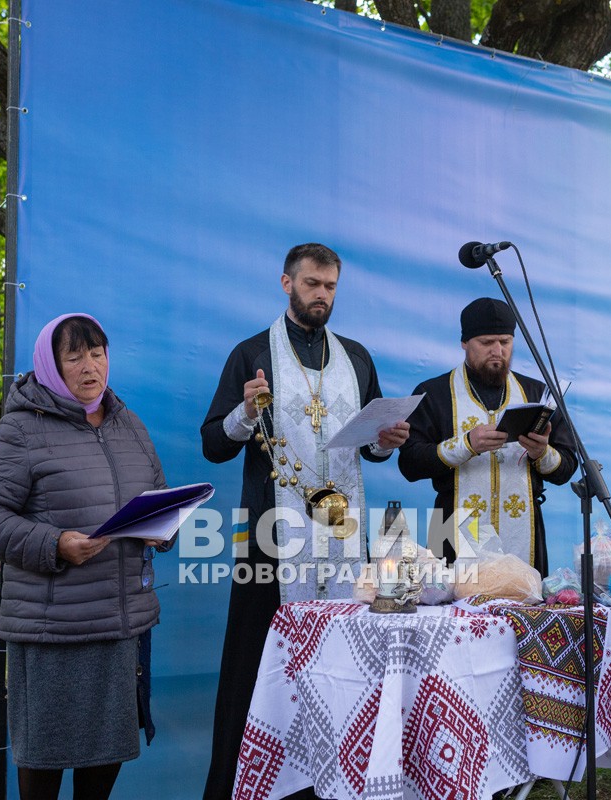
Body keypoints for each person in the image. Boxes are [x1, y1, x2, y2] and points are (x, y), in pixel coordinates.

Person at [200, 242, 410, 800]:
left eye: (331, 286)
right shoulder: (251, 355)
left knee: (343, 663)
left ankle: (336, 783)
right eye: (312, 283)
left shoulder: (357, 358)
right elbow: (213, 445)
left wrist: (386, 442)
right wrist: (245, 413)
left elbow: (369, 447)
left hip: (342, 534)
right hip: (271, 539)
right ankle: (246, 788)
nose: (322, 295)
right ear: (286, 283)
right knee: (256, 666)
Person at [0, 313, 168, 800]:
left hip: (121, 625)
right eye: (75, 356)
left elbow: (159, 495)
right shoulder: (19, 429)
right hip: (53, 631)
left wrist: (160, 531)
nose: (90, 367)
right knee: (44, 762)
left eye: (98, 353)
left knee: (106, 760)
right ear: (50, 364)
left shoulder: (129, 424)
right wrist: (55, 544)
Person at [398, 297, 578, 573]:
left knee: (522, 613)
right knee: (448, 613)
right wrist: (466, 444)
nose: (497, 350)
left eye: (505, 342)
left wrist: (541, 453)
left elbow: (566, 468)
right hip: (449, 525)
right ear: (464, 343)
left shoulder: (536, 393)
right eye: (486, 343)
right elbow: (409, 464)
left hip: (524, 528)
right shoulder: (433, 394)